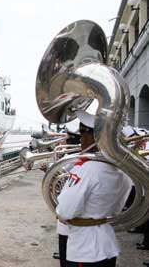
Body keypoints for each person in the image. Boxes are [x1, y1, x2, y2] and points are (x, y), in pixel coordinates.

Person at [56, 110, 132, 267]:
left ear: (96, 136)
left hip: (85, 250)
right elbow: (117, 209)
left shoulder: (86, 169)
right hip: (107, 244)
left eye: (84, 132)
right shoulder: (122, 171)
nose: (81, 138)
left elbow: (64, 211)